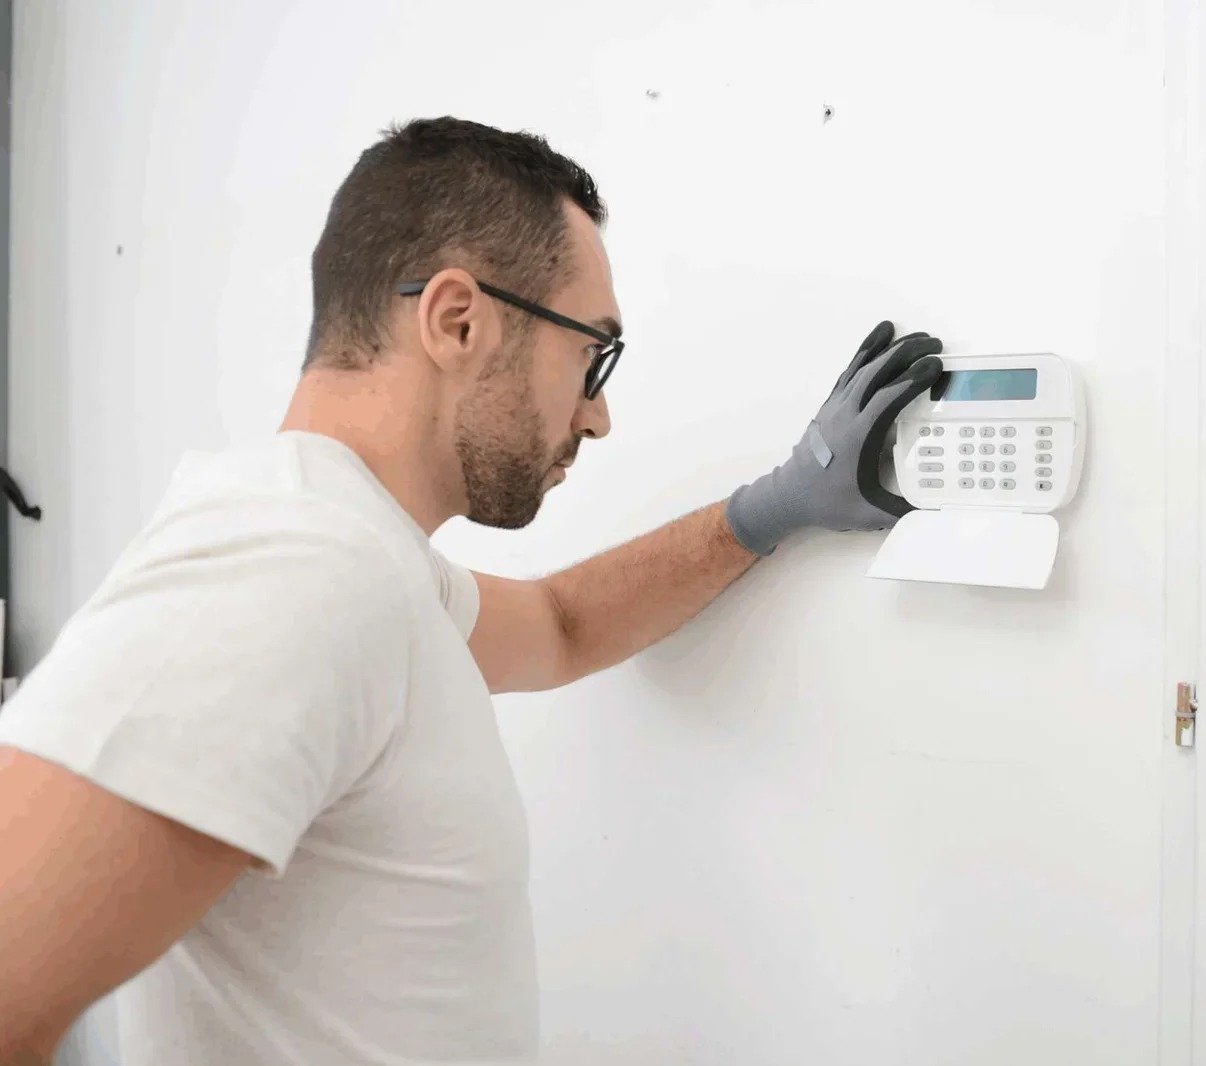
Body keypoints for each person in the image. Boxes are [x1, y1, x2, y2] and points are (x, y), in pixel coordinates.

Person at [0, 116, 943, 1064]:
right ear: (458, 321)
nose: (599, 413)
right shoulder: (295, 572)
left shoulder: (371, 569)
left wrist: (771, 506)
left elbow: (562, 624)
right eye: (592, 354)